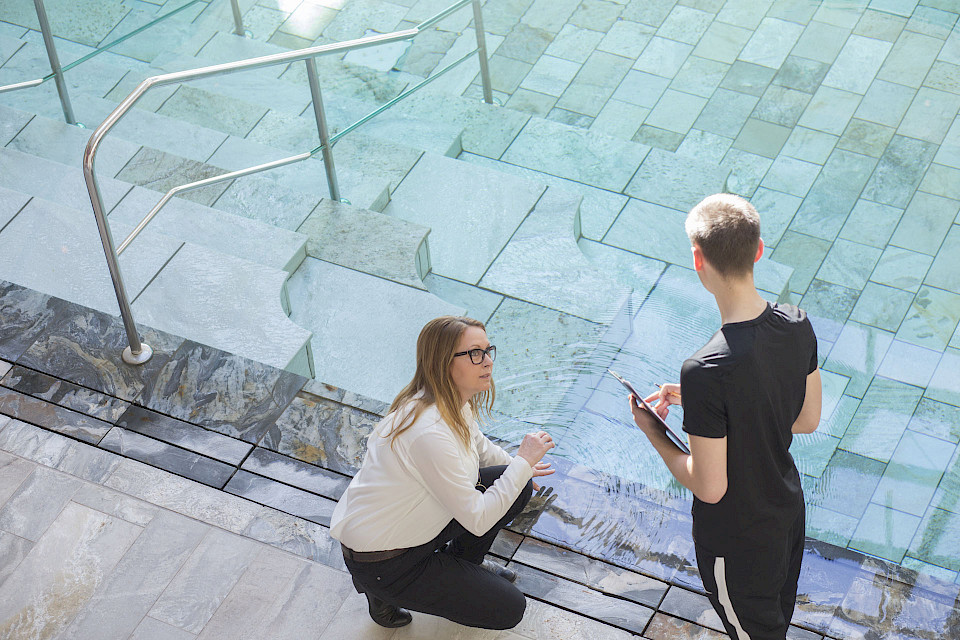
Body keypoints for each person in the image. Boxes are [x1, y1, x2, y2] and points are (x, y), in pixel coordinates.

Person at [630, 193, 822, 640]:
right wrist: (705, 407)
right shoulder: (797, 323)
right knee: (773, 623)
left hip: (737, 544)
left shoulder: (705, 370)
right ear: (758, 250)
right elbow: (807, 418)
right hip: (786, 514)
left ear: (698, 259)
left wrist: (654, 433)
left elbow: (710, 486)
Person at [329, 315, 555, 630]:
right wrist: (521, 463)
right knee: (509, 608)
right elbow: (477, 519)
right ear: (443, 362)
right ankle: (382, 593)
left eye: (488, 350)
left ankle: (461, 568)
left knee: (518, 486)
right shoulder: (428, 432)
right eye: (475, 353)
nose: (487, 361)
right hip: (383, 559)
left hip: (408, 526)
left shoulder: (446, 401)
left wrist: (523, 467)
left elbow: (480, 446)